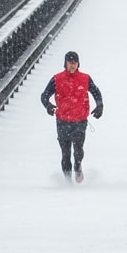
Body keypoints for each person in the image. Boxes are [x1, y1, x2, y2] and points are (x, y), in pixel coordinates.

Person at [40, 51, 103, 183]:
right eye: (70, 63)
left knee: (78, 150)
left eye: (75, 63)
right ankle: (68, 183)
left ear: (78, 63)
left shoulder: (85, 78)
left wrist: (99, 106)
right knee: (66, 154)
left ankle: (78, 166)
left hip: (80, 120)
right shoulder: (57, 79)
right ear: (65, 64)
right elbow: (44, 95)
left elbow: (96, 92)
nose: (73, 66)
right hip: (63, 120)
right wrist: (48, 105)